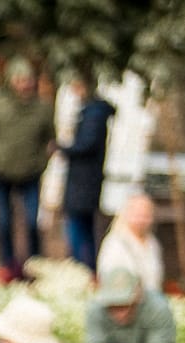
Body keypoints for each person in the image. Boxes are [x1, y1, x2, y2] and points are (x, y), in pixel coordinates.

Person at [0, 59, 53, 273]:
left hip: (32, 172)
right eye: (19, 80)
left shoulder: (42, 108)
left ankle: (36, 264)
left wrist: (42, 162)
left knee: (32, 221)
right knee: (3, 222)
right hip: (0, 171)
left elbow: (49, 139)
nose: (23, 84)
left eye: (27, 80)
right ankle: (7, 266)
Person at [56, 79, 113, 268]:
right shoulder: (92, 112)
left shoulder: (93, 114)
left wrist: (62, 148)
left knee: (78, 227)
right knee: (84, 226)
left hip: (83, 182)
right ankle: (84, 265)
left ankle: (82, 266)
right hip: (85, 182)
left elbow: (86, 145)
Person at [95, 192, 163, 293]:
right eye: (138, 215)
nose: (142, 220)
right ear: (126, 214)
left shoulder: (153, 243)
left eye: (146, 215)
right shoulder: (115, 244)